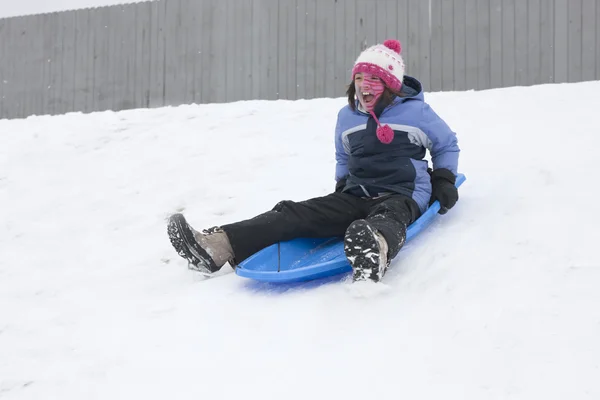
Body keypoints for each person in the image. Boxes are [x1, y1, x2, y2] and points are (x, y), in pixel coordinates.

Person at [167, 39, 460, 282]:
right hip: (356, 194)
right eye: (359, 78)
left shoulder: (415, 113)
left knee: (388, 216)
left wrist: (444, 179)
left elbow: (446, 144)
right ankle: (217, 247)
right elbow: (343, 156)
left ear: (390, 84)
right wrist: (342, 186)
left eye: (373, 79)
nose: (364, 86)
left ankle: (376, 250)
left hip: (402, 193)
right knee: (293, 213)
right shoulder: (347, 117)